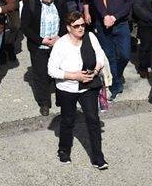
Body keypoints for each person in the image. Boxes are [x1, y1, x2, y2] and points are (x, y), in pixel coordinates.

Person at [47, 11, 109, 169]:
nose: (81, 28)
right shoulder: (61, 44)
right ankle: (64, 150)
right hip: (67, 88)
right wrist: (74, 76)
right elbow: (51, 70)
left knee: (93, 120)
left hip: (88, 86)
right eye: (77, 26)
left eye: (83, 25)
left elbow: (101, 56)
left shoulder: (90, 37)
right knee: (68, 120)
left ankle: (98, 157)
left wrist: (94, 72)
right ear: (69, 28)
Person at [21, 0, 70, 115]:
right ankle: (44, 103)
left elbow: (66, 20)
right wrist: (41, 40)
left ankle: (63, 100)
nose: (49, 1)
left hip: (57, 45)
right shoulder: (31, 2)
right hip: (39, 46)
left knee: (59, 74)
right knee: (41, 75)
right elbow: (25, 27)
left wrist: (59, 36)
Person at [92, 0, 134, 101]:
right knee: (109, 56)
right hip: (103, 24)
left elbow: (129, 2)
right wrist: (105, 16)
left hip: (121, 23)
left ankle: (117, 74)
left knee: (124, 55)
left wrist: (114, 17)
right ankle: (115, 85)